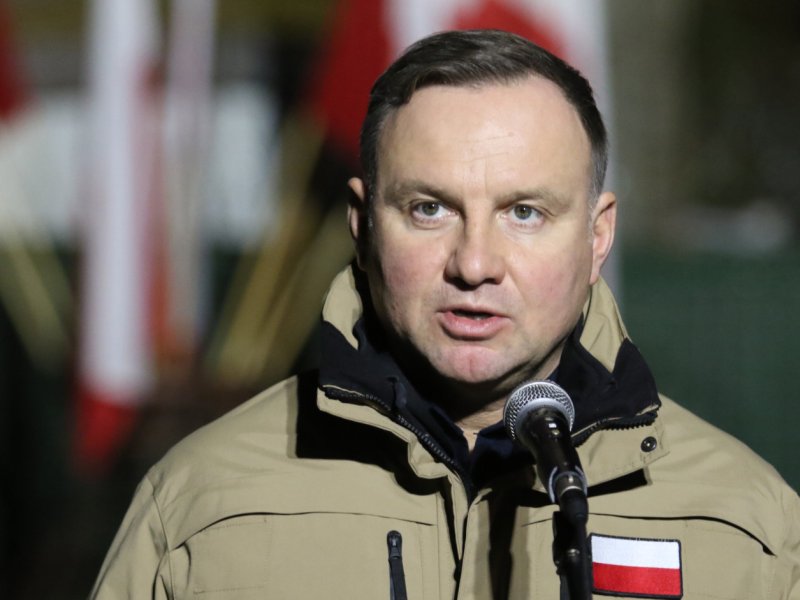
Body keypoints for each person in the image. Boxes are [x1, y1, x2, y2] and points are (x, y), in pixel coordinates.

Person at [90, 29, 800, 599]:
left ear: (597, 236)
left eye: (525, 213)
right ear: (364, 225)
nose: (474, 263)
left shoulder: (747, 525)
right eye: (429, 209)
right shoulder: (201, 507)